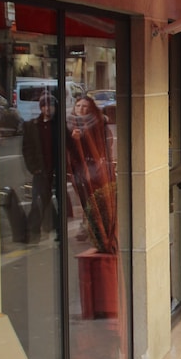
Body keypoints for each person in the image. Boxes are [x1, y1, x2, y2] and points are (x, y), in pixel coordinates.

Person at [67, 95, 116, 248]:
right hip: (78, 169)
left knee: (94, 198)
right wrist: (74, 139)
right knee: (85, 197)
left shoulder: (98, 122)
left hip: (96, 168)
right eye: (78, 106)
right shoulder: (69, 124)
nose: (81, 109)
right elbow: (67, 149)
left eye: (85, 106)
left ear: (91, 108)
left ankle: (95, 228)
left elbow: (106, 143)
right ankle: (89, 226)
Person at [22, 92, 58, 242]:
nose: (47, 109)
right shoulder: (32, 125)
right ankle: (32, 231)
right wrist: (34, 168)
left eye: (50, 106)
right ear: (41, 108)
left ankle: (54, 227)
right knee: (38, 199)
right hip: (41, 169)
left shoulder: (57, 125)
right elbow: (27, 148)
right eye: (44, 106)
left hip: (55, 169)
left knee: (47, 198)